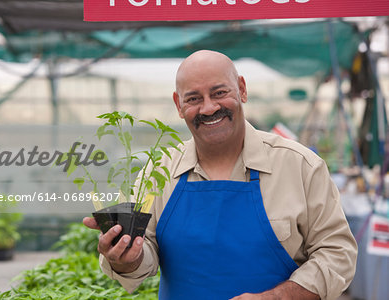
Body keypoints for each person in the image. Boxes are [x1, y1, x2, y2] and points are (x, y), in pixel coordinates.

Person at [83, 50, 358, 300]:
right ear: (179, 105)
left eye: (219, 93)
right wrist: (125, 258)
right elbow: (145, 253)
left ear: (241, 89)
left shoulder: (300, 166)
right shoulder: (159, 170)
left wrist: (276, 298)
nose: (209, 108)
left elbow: (337, 253)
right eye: (193, 98)